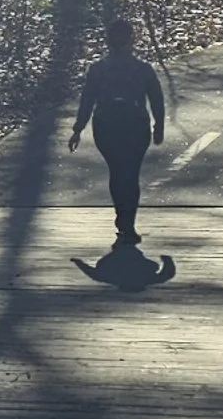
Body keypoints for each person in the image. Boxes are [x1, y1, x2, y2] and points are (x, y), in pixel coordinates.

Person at [69, 17, 166, 247]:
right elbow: (157, 100)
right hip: (135, 127)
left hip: (106, 127)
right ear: (131, 40)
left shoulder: (98, 70)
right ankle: (127, 223)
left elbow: (87, 101)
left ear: (107, 41)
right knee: (130, 175)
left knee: (116, 172)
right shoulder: (143, 69)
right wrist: (158, 126)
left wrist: (78, 130)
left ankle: (123, 219)